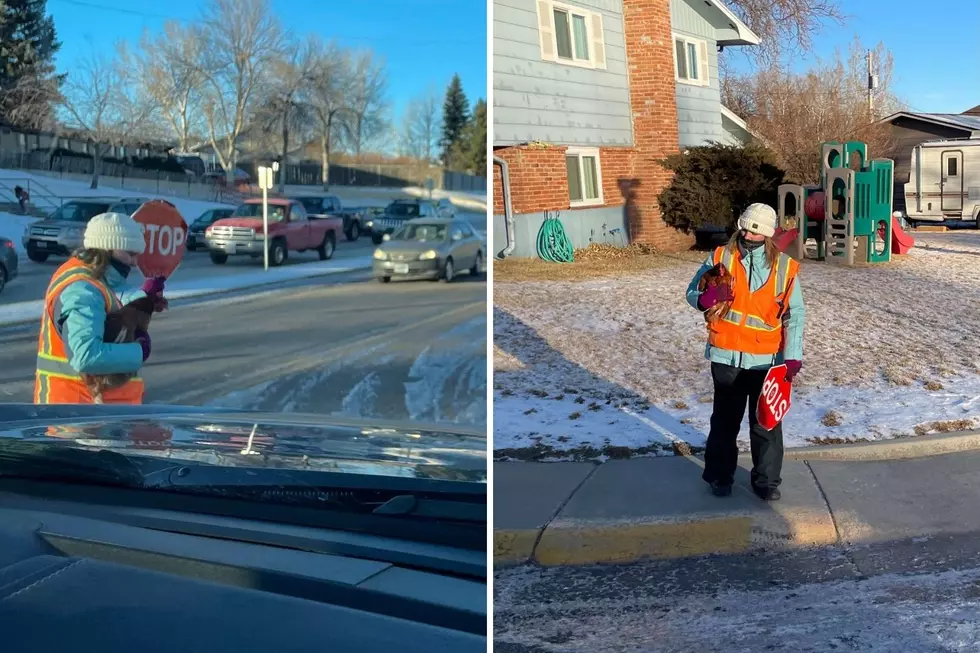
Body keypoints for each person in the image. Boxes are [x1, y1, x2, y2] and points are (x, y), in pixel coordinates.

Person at [686, 203, 805, 502]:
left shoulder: (785, 268)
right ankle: (720, 476)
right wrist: (708, 297)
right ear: (740, 226)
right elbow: (691, 293)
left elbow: (795, 312)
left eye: (757, 232)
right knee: (725, 422)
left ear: (767, 235)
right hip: (726, 356)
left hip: (767, 360)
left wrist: (792, 354)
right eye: (747, 229)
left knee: (766, 423)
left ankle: (766, 481)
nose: (750, 236)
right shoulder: (720, 256)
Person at [34, 212, 167, 405]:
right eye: (130, 254)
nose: (134, 262)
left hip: (93, 414)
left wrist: (144, 299)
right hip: (80, 416)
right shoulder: (81, 288)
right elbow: (86, 356)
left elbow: (110, 297)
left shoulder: (93, 277)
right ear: (107, 248)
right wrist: (139, 351)